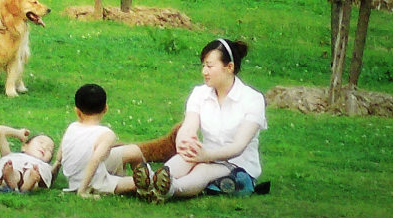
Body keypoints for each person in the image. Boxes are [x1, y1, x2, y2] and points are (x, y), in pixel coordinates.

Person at [133, 38, 267, 203]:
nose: (204, 71)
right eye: (203, 65)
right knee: (183, 159)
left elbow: (238, 146)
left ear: (229, 67)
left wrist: (206, 155)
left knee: (203, 169)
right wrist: (184, 142)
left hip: (237, 163)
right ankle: (152, 182)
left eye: (210, 66)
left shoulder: (252, 99)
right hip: (203, 153)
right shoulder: (200, 93)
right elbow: (189, 126)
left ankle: (170, 189)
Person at [55, 84, 145, 199]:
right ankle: (153, 183)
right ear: (105, 108)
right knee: (137, 183)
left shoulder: (72, 127)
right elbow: (95, 160)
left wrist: (52, 175)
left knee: (134, 150)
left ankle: (146, 176)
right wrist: (82, 191)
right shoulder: (106, 135)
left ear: (77, 111)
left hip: (84, 173)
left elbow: (59, 157)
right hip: (92, 182)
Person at [0, 125, 55, 193]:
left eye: (49, 149)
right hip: (12, 170)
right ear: (24, 146)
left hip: (34, 175)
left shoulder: (44, 165)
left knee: (33, 172)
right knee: (11, 168)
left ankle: (28, 182)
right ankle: (12, 178)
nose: (44, 147)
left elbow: (58, 163)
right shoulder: (11, 156)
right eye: (41, 142)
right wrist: (18, 133)